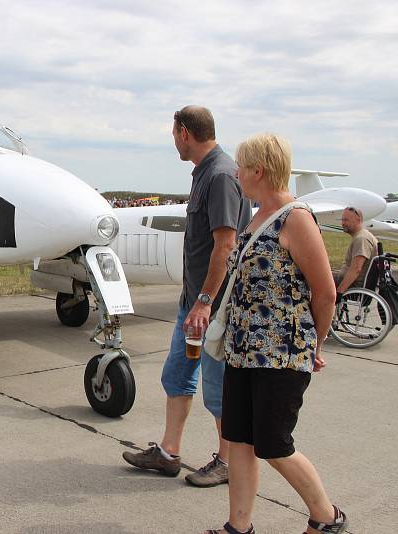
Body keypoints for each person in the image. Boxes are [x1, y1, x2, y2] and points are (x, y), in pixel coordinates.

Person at [202, 134, 345, 534]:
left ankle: (326, 517)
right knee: (241, 442)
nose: (236, 172)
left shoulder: (295, 217)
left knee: (273, 444)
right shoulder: (256, 214)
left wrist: (315, 342)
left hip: (282, 355)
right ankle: (238, 527)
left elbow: (325, 292)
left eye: (241, 166)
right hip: (242, 351)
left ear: (259, 171)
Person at [123, 106, 252, 487]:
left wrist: (205, 300)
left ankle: (226, 462)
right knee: (177, 375)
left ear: (183, 132)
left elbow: (226, 245)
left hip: (211, 308)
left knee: (216, 388)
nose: (173, 139)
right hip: (193, 304)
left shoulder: (221, 175)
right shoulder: (205, 173)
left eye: (172, 132)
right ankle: (168, 453)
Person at [333, 206, 378, 294]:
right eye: (342, 220)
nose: (343, 223)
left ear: (358, 220)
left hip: (354, 286)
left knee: (317, 278)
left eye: (346, 220)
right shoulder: (362, 236)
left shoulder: (362, 239)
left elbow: (356, 268)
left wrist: (340, 291)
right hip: (351, 283)